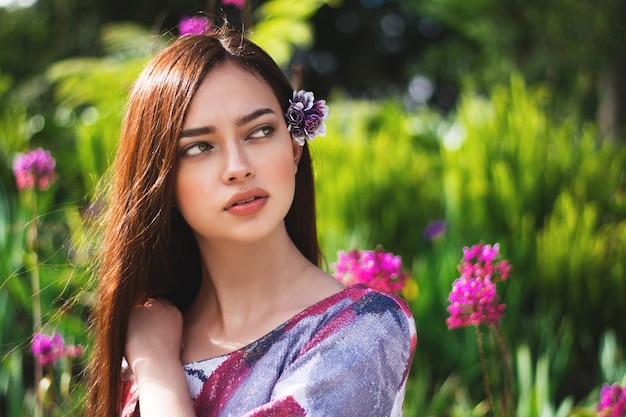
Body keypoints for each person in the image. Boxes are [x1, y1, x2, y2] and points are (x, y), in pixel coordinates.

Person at [86, 25, 417, 417]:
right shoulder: (150, 331)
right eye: (200, 147)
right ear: (163, 181)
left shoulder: (361, 331)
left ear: (294, 148)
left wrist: (157, 368)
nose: (238, 168)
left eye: (260, 131)